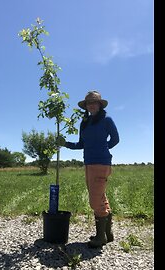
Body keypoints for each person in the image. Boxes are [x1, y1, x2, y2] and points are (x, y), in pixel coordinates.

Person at [57, 90, 120, 248]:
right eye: (88, 103)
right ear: (86, 106)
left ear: (100, 104)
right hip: (88, 163)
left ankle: (100, 238)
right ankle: (107, 234)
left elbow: (115, 139)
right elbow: (81, 144)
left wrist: (102, 149)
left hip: (101, 163)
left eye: (94, 102)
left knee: (94, 201)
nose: (91, 105)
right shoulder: (84, 123)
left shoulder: (107, 120)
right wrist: (65, 143)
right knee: (100, 197)